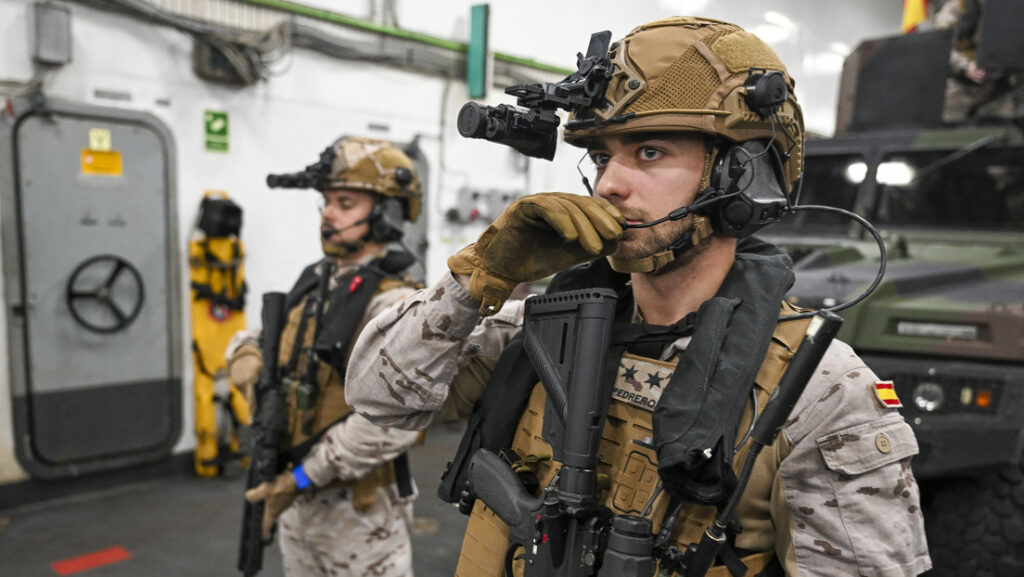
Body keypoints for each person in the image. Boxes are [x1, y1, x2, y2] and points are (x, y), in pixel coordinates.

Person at [346, 17, 932, 577]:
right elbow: (376, 397)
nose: (608, 184)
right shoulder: (539, 331)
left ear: (741, 173)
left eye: (649, 152)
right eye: (602, 157)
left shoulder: (818, 391)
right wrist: (479, 278)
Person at [227, 136, 424, 577]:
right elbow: (258, 336)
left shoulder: (393, 305)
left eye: (346, 203)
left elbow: (387, 426)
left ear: (386, 213)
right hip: (296, 508)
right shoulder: (313, 284)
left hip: (358, 521)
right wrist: (243, 355)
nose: (328, 215)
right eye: (326, 202)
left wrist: (297, 480)